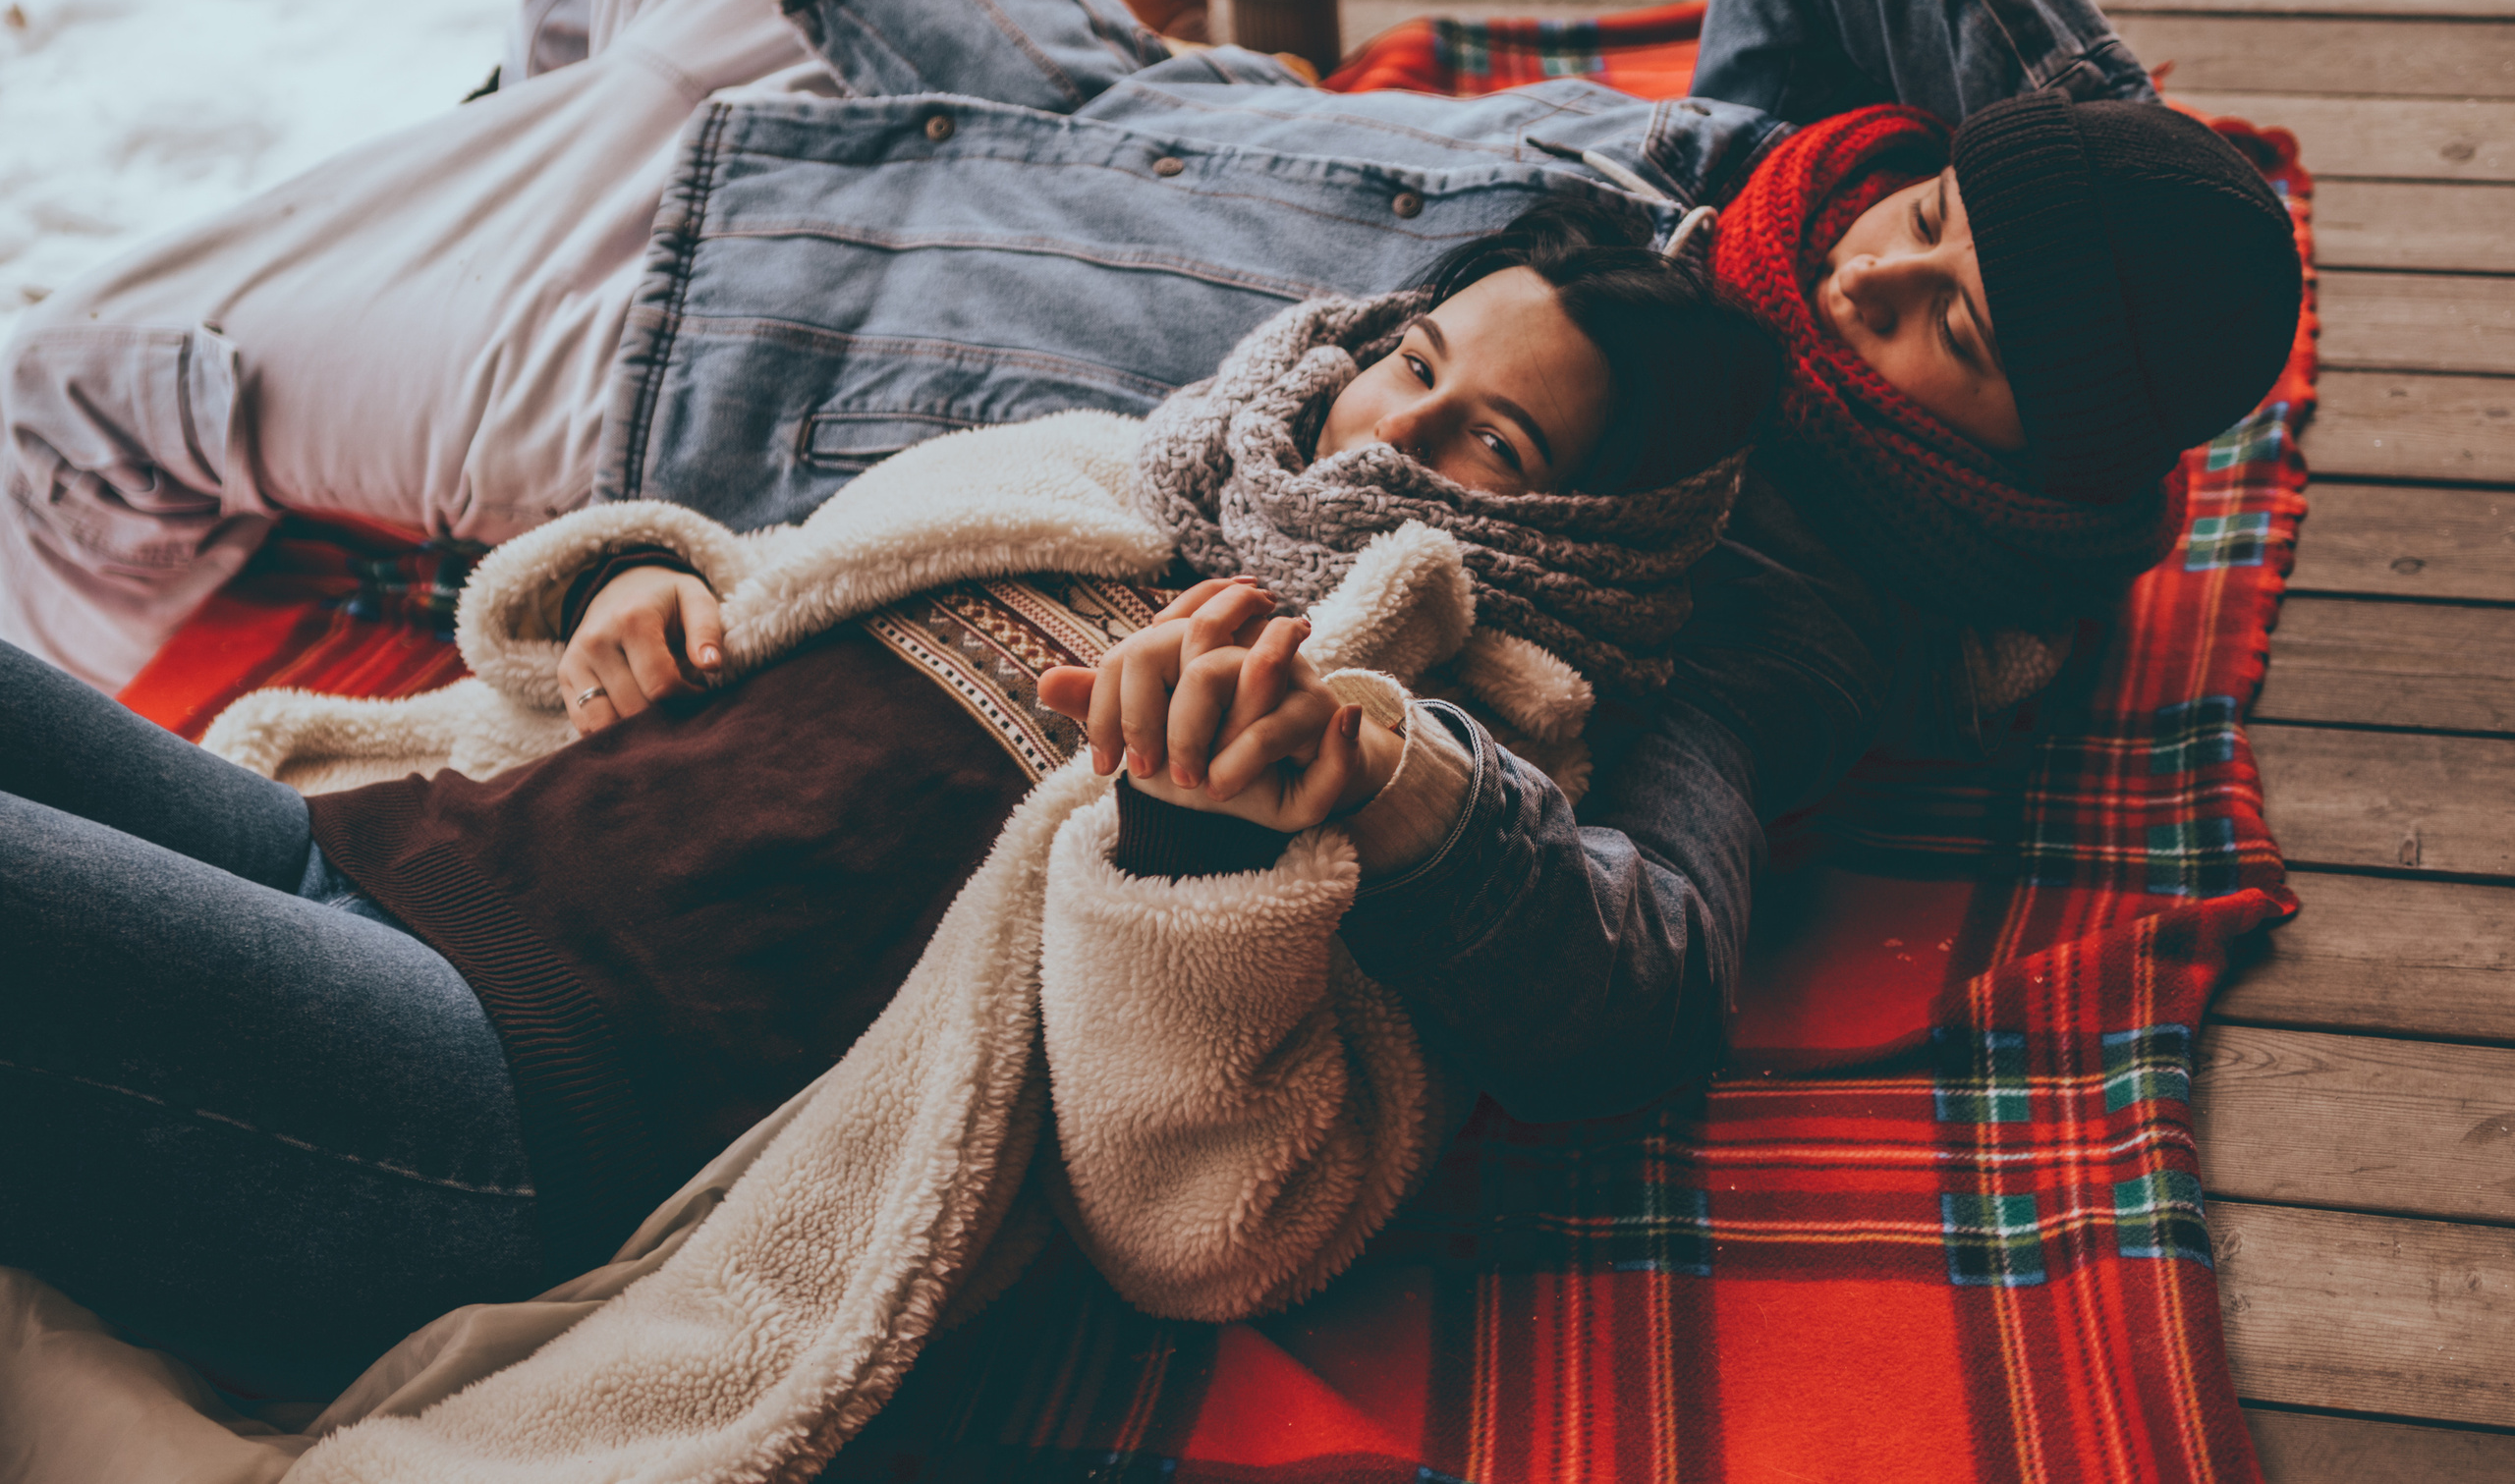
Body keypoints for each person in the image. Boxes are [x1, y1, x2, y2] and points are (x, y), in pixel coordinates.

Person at [1, 0, 2298, 1230]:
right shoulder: (1766, 193)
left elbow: (1637, 971)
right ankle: (510, 107)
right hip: (941, 37)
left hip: (668, 312)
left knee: (61, 398)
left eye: (1959, 334)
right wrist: (2109, 204)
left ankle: (436, 204)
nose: (1878, 256)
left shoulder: (1741, 591)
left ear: (2006, 470)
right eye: (1940, 211)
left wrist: (1390, 798)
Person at [0, 200, 1781, 1400]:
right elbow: (738, 582)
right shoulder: (1105, 470)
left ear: (1592, 530)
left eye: (1493, 444)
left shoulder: (1406, 752)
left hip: (481, 1097)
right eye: (1420, 362)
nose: (1385, 437)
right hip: (376, 840)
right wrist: (626, 587)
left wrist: (1196, 852)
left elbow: (1215, 1229)